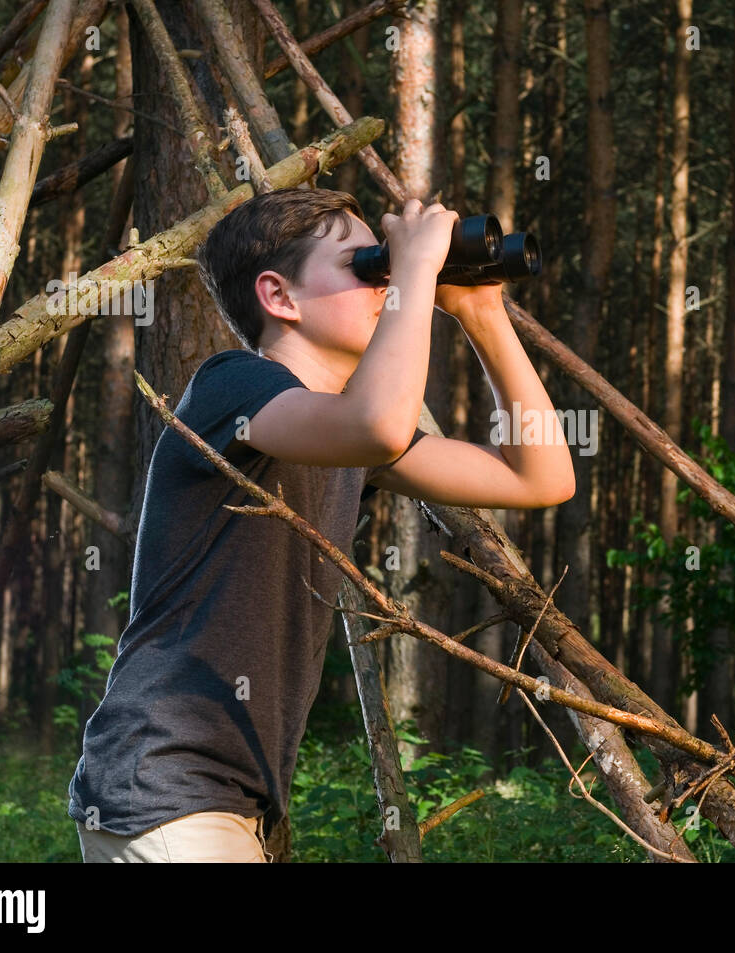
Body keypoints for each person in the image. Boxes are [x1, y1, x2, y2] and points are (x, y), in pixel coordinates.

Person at [68, 188, 575, 862]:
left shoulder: (350, 443)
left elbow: (539, 476)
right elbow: (378, 422)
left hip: (223, 800)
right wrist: (419, 271)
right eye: (368, 265)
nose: (389, 281)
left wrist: (483, 315)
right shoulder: (231, 387)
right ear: (280, 296)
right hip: (164, 782)